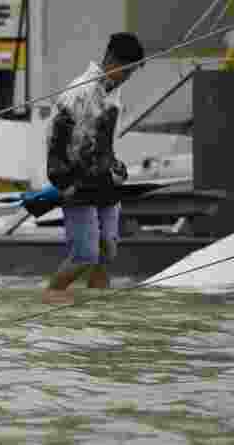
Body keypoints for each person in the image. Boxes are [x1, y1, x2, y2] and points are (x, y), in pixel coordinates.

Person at [43, 32, 145, 304]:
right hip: (76, 181)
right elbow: (54, 140)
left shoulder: (114, 90)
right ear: (112, 60)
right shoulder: (79, 92)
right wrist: (63, 183)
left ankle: (99, 309)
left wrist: (116, 166)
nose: (129, 78)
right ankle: (48, 298)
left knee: (107, 250)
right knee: (84, 255)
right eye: (128, 71)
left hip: (104, 179)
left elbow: (104, 141)